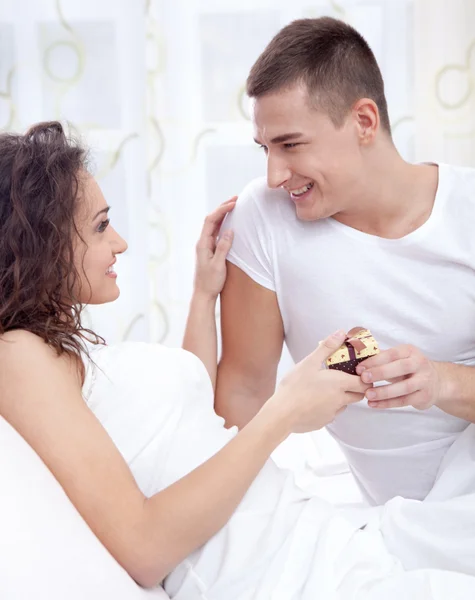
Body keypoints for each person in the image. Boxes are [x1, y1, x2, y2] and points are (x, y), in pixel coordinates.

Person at [2, 123, 475, 600]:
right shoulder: (17, 356)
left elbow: (184, 418)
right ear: (37, 243)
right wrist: (285, 410)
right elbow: (143, 547)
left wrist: (204, 292)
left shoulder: (61, 353)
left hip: (319, 542)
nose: (120, 243)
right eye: (101, 226)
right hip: (282, 577)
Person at [215, 16, 475, 507]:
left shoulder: (467, 211)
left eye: (291, 145)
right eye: (265, 148)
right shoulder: (264, 218)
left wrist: (440, 381)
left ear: (363, 121)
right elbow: (242, 400)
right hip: (394, 523)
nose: (274, 174)